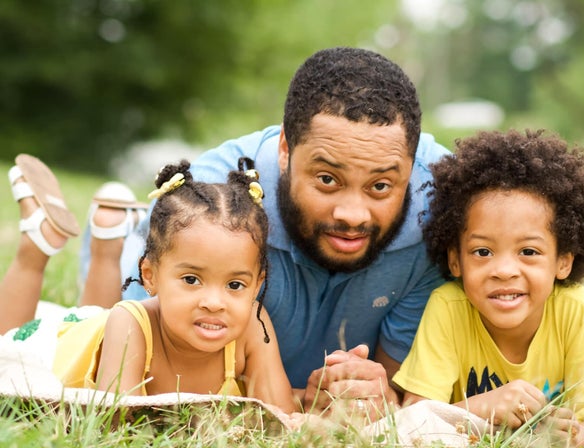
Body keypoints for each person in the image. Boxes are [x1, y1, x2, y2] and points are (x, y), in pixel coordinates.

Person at [85, 47, 450, 416]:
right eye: (327, 179)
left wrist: (384, 394)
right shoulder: (206, 210)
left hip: (269, 379)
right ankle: (108, 238)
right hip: (213, 357)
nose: (352, 215)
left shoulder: (442, 210)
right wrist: (301, 400)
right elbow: (141, 360)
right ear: (285, 150)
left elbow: (405, 385)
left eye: (380, 187)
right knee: (90, 320)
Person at [1, 155, 297, 414]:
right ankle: (36, 244)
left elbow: (280, 418)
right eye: (192, 279)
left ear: (257, 285)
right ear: (150, 276)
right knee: (6, 343)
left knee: (96, 312)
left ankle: (109, 240)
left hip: (100, 328)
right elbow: (118, 420)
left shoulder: (252, 327)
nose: (214, 302)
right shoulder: (129, 322)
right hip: (55, 346)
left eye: (234, 285)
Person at [392, 129, 584, 447]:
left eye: (528, 252)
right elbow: (415, 416)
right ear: (455, 260)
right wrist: (484, 408)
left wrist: (567, 439)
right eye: (483, 252)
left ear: (563, 261)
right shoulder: (448, 308)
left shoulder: (574, 307)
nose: (504, 271)